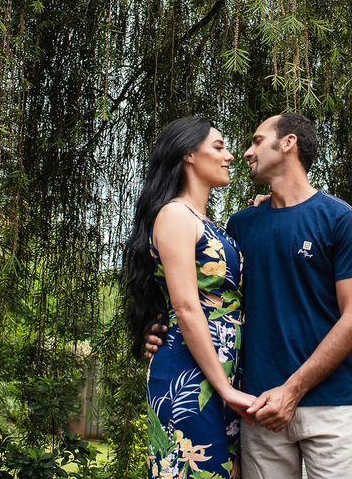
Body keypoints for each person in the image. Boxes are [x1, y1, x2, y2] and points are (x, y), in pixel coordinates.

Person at [146, 112, 352, 479]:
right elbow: (202, 293)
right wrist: (161, 326)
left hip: (329, 406)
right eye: (228, 146)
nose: (244, 152)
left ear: (288, 144)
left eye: (256, 141)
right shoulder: (240, 226)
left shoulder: (342, 219)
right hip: (256, 405)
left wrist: (293, 390)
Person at [122, 116, 258, 479]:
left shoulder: (207, 222)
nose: (230, 156)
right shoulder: (175, 215)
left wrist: (265, 210)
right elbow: (185, 307)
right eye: (219, 147)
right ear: (189, 155)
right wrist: (226, 389)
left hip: (221, 372)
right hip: (192, 375)